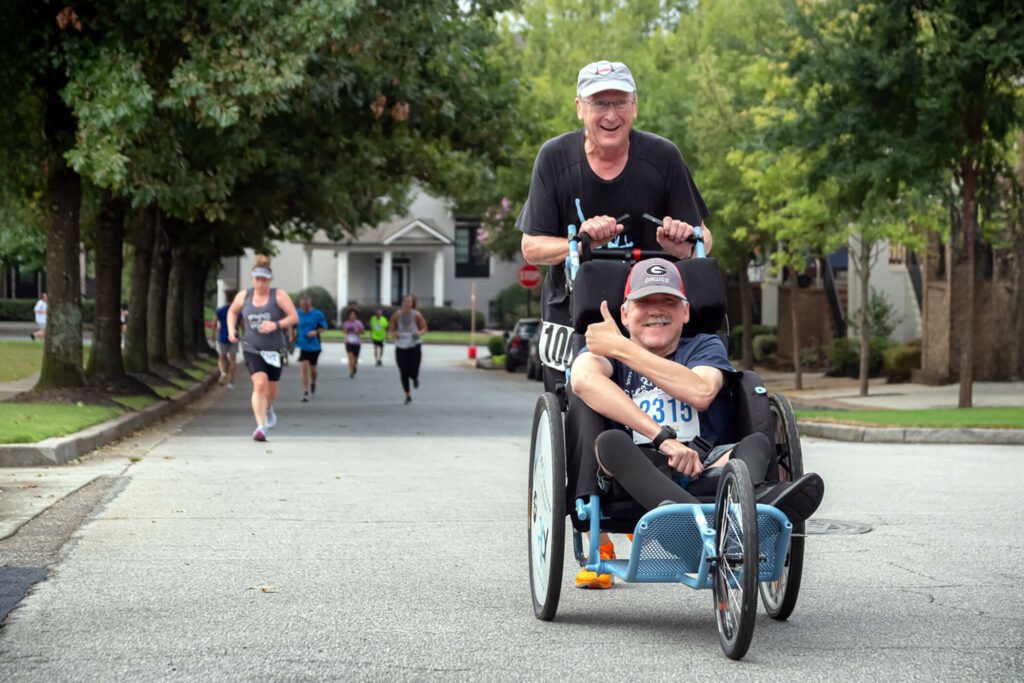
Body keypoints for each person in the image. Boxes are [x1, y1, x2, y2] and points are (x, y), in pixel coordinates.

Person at [568, 258, 824, 588]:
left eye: (668, 302)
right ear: (624, 313)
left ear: (685, 312)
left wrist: (625, 348)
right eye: (644, 302)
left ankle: (743, 510)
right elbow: (583, 381)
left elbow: (701, 391)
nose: (656, 310)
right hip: (642, 473)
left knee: (757, 444)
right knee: (610, 444)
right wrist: (663, 439)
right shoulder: (605, 353)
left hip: (709, 470)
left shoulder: (703, 346)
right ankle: (737, 518)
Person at [517, 59, 715, 393]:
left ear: (634, 107)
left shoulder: (664, 156)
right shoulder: (554, 157)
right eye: (600, 103)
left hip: (649, 305)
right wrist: (580, 244)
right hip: (573, 306)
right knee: (570, 400)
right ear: (580, 108)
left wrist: (682, 243)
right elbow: (531, 247)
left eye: (620, 102)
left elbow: (704, 239)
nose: (611, 115)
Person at [227, 255, 298, 442]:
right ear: (253, 279)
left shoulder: (279, 296)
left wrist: (276, 324)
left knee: (271, 391)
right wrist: (231, 329)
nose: (260, 283)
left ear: (269, 280)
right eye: (257, 279)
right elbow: (232, 311)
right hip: (252, 348)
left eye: (264, 280)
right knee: (259, 385)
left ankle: (268, 408)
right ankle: (261, 427)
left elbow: (293, 317)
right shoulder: (244, 296)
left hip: (274, 349)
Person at [388, 294, 428, 405]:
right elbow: (390, 330)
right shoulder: (396, 315)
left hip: (414, 345)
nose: (406, 304)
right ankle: (408, 395)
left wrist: (418, 333)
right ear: (402, 303)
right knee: (403, 371)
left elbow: (424, 328)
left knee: (413, 370)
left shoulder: (417, 315)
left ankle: (414, 378)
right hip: (401, 346)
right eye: (405, 302)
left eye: (409, 302)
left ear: (412, 304)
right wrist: (394, 333)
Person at [294, 294, 328, 401]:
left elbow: (324, 327)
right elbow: (292, 325)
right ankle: (305, 391)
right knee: (304, 367)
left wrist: (316, 331)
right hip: (303, 345)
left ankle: (313, 382)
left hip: (314, 346)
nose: (305, 307)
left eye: (307, 305)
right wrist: (291, 336)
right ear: (300, 303)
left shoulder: (317, 314)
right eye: (303, 305)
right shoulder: (297, 313)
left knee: (313, 370)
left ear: (310, 303)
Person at [212, 290, 240, 388]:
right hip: (234, 337)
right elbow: (244, 325)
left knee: (221, 358)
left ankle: (223, 373)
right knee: (233, 360)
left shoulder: (220, 310)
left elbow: (214, 323)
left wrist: (213, 334)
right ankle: (231, 380)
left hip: (223, 337)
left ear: (226, 298)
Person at [342, 309, 365, 378]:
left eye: (353, 314)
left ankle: (354, 366)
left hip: (356, 342)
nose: (352, 316)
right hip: (348, 342)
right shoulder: (346, 323)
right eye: (351, 314)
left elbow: (363, 332)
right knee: (350, 357)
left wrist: (357, 331)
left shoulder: (359, 323)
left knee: (355, 359)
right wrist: (346, 330)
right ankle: (351, 371)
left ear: (355, 316)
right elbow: (343, 331)